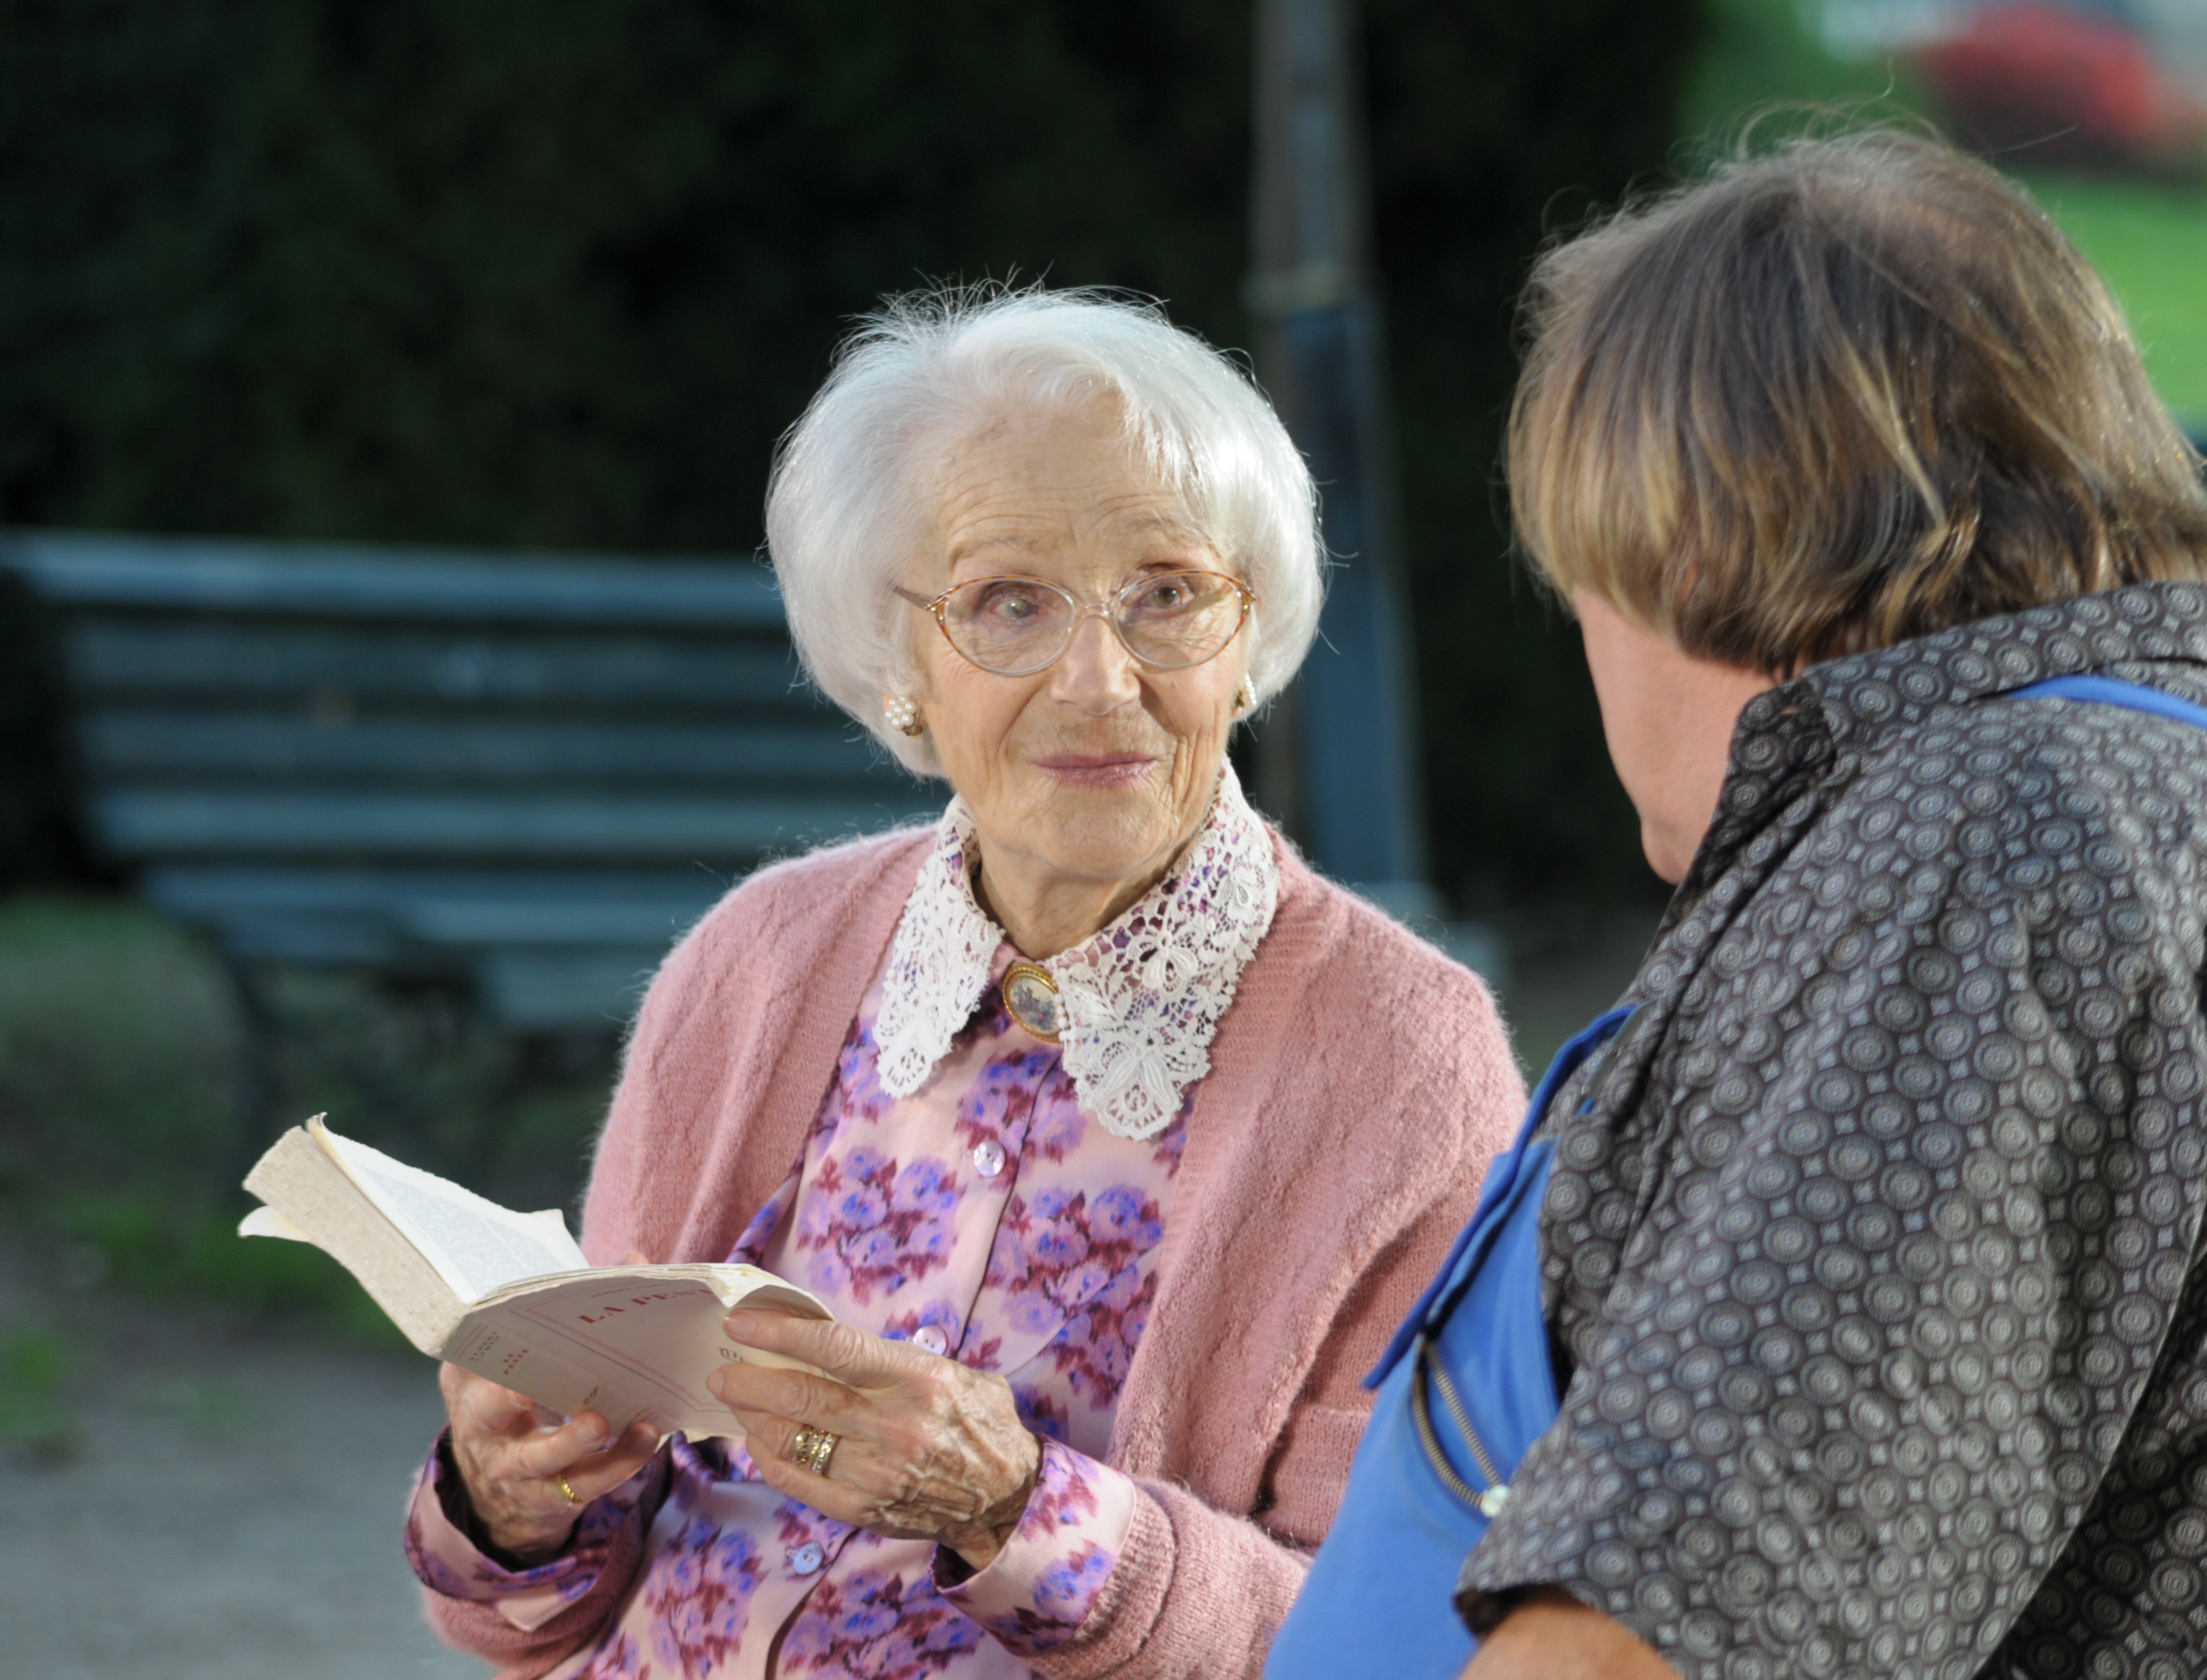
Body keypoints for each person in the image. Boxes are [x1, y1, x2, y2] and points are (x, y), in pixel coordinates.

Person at [1273, 130, 2207, 1678]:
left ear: (1683, 529)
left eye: (1578, 575)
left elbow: (1676, 1630)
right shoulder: (2188, 815)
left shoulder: (2007, 847)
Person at [401, 287, 1527, 1679]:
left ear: (1246, 645)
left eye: (1166, 593)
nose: (1099, 680)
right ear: (901, 672)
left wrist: (1019, 1509)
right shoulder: (758, 961)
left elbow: (1391, 1633)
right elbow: (537, 1615)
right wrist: (508, 1504)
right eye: (1009, 602)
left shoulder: (1399, 1054)